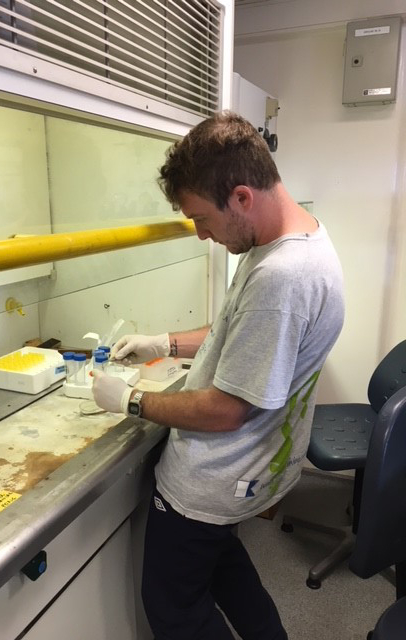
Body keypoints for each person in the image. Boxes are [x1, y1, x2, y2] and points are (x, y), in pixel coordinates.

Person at [91, 111, 344, 640]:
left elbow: (226, 409)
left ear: (242, 197)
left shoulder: (281, 277)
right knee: (227, 572)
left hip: (211, 478)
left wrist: (130, 400)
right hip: (247, 471)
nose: (202, 235)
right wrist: (165, 342)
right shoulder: (289, 241)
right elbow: (237, 329)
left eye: (202, 219)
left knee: (173, 608)